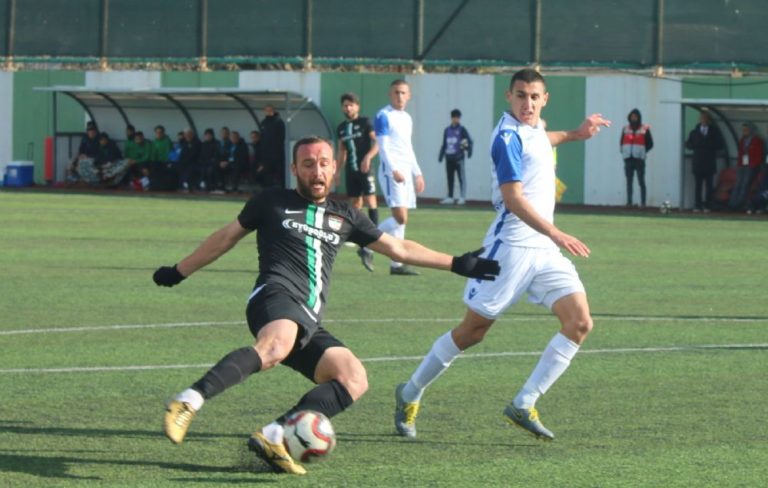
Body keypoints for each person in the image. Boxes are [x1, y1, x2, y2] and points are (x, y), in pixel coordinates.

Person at [154, 136, 500, 475]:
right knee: (274, 347)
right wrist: (180, 270)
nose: (316, 171)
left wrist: (457, 264)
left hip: (307, 319)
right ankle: (189, 400)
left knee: (353, 378)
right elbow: (225, 237)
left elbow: (400, 250)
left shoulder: (346, 215)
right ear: (294, 169)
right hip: (274, 298)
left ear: (334, 168)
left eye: (323, 164)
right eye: (307, 164)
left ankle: (274, 435)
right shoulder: (271, 202)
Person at [393, 69, 610, 442]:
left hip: (543, 251)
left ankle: (524, 402)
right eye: (521, 96)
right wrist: (557, 232)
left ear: (545, 99)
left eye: (534, 97)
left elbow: (544, 139)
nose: (528, 103)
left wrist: (576, 133)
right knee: (471, 332)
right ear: (509, 97)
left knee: (579, 323)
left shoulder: (535, 128)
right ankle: (409, 393)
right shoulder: (506, 136)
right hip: (509, 248)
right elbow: (513, 199)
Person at [375, 79, 424, 276]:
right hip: (391, 172)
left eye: (403, 93)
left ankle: (397, 264)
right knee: (400, 217)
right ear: (390, 94)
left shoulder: (407, 118)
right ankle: (366, 243)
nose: (399, 96)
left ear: (409, 95)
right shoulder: (383, 115)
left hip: (405, 171)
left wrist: (417, 172)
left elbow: (408, 148)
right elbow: (384, 147)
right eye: (396, 92)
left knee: (402, 221)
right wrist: (393, 169)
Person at [336, 92, 380, 272]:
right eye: (345, 105)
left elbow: (377, 143)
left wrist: (368, 157)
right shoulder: (341, 128)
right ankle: (357, 236)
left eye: (351, 105)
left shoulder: (365, 123)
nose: (348, 108)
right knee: (355, 203)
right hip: (351, 171)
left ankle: (374, 235)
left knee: (371, 200)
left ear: (357, 107)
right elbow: (342, 152)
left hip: (365, 169)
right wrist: (337, 171)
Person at [685, 111, 724, 212]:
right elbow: (688, 144)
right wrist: (695, 145)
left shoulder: (714, 132)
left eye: (705, 119)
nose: (703, 121)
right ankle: (697, 205)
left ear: (709, 120)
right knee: (698, 185)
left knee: (709, 186)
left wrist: (708, 145)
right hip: (698, 162)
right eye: (702, 118)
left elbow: (720, 145)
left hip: (709, 162)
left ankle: (708, 205)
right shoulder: (694, 132)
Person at [438, 109, 473, 205]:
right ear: (451, 118)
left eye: (457, 117)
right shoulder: (447, 130)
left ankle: (462, 197)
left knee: (461, 177)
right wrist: (441, 155)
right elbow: (444, 143)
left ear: (459, 118)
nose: (455, 119)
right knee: (450, 177)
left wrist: (469, 152)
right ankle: (450, 196)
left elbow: (469, 141)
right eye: (454, 117)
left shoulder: (462, 130)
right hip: (449, 157)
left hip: (459, 157)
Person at [620, 108, 653, 207]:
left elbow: (650, 144)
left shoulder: (645, 129)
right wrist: (624, 152)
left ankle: (643, 203)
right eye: (632, 116)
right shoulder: (625, 129)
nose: (633, 118)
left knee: (641, 181)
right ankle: (629, 202)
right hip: (628, 159)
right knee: (629, 181)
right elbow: (621, 142)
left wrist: (642, 151)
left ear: (639, 118)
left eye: (635, 117)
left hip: (639, 159)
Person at [729, 122, 765, 210]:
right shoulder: (742, 140)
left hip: (752, 166)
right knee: (738, 184)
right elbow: (741, 153)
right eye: (743, 130)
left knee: (745, 184)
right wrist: (739, 164)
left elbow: (759, 155)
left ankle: (739, 204)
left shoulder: (757, 140)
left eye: (746, 130)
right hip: (742, 165)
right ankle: (732, 203)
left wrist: (754, 164)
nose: (744, 131)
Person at [260, 106, 287, 188]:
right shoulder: (264, 122)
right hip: (266, 153)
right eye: (266, 110)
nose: (268, 112)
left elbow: (281, 137)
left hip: (277, 153)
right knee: (267, 173)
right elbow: (262, 136)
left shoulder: (279, 122)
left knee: (281, 172)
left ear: (273, 111)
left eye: (269, 110)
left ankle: (283, 189)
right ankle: (268, 190)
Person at [178, 128, 202, 192]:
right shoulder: (182, 142)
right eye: (186, 134)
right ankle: (179, 186)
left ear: (192, 135)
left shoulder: (197, 143)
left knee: (190, 168)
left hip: (194, 162)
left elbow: (195, 155)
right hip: (182, 162)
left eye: (189, 134)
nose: (188, 136)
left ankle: (191, 186)